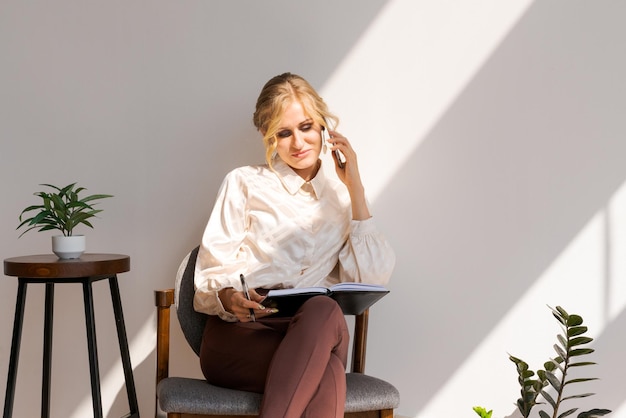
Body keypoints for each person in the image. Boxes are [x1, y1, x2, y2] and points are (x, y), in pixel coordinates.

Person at [193, 72, 395, 418]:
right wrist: (230, 297)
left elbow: (373, 279)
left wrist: (355, 186)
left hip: (312, 330)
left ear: (323, 128)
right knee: (328, 373)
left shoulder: (341, 200)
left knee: (324, 310)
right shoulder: (244, 183)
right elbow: (210, 274)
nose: (299, 142)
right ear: (267, 136)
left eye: (306, 127)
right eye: (284, 133)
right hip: (243, 335)